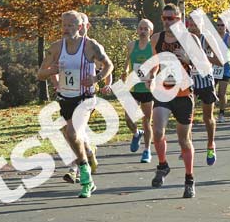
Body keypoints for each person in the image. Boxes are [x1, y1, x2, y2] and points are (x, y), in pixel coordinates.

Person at [37, 10, 114, 198]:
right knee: (71, 136)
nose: (66, 28)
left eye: (70, 25)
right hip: (65, 99)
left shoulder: (90, 46)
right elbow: (40, 74)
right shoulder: (56, 48)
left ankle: (85, 176)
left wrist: (97, 78)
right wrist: (51, 71)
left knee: (72, 133)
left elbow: (109, 65)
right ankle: (88, 153)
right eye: (63, 25)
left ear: (80, 27)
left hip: (85, 98)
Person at [147, 3, 204, 198]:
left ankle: (189, 179)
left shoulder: (190, 39)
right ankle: (162, 165)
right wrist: (152, 76)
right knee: (157, 130)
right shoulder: (156, 39)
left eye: (171, 18)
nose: (166, 21)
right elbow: (155, 64)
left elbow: (204, 66)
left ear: (180, 19)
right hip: (164, 92)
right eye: (164, 18)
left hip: (184, 94)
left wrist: (187, 59)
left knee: (183, 140)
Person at [187, 17, 221, 165]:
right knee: (187, 116)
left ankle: (210, 145)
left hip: (206, 79)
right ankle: (188, 146)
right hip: (189, 80)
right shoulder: (184, 38)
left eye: (196, 24)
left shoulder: (207, 37)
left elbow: (220, 60)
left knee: (207, 117)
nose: (193, 27)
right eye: (191, 24)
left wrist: (200, 57)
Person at [124, 19, 155, 163]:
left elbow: (157, 64)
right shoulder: (132, 45)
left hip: (148, 88)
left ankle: (147, 150)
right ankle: (136, 133)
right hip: (134, 86)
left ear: (151, 31)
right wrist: (124, 73)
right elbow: (127, 62)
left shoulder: (153, 47)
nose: (143, 31)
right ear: (137, 30)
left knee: (146, 121)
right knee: (129, 118)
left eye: (146, 29)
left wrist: (153, 76)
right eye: (140, 28)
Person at [213, 17, 230, 123]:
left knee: (221, 93)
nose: (220, 27)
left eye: (222, 25)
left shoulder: (229, 38)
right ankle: (210, 113)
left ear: (226, 26)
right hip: (214, 67)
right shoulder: (212, 37)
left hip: (225, 68)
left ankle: (221, 113)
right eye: (218, 25)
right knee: (210, 92)